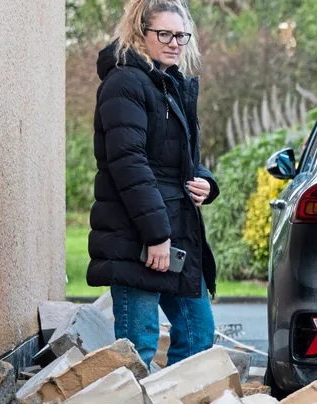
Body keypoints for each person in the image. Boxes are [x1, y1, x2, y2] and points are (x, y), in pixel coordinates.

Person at [88, 0, 219, 368]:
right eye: (165, 33)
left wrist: (205, 182)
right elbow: (129, 164)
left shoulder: (168, 83)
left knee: (197, 333)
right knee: (138, 347)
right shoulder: (124, 83)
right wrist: (156, 236)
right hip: (137, 238)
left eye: (181, 35)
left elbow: (176, 157)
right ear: (139, 34)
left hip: (174, 232)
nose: (175, 42)